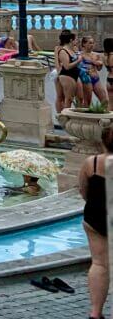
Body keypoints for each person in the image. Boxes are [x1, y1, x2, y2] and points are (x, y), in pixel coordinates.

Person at [77, 125, 112, 319]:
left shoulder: (92, 162)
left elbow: (83, 190)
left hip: (96, 215)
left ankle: (95, 313)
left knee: (99, 264)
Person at [56, 29, 81, 113]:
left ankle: (76, 116)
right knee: (68, 99)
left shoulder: (73, 49)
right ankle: (65, 117)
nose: (77, 41)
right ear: (71, 40)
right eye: (76, 39)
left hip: (75, 75)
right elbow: (67, 66)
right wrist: (78, 61)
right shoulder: (63, 51)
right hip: (67, 75)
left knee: (78, 98)